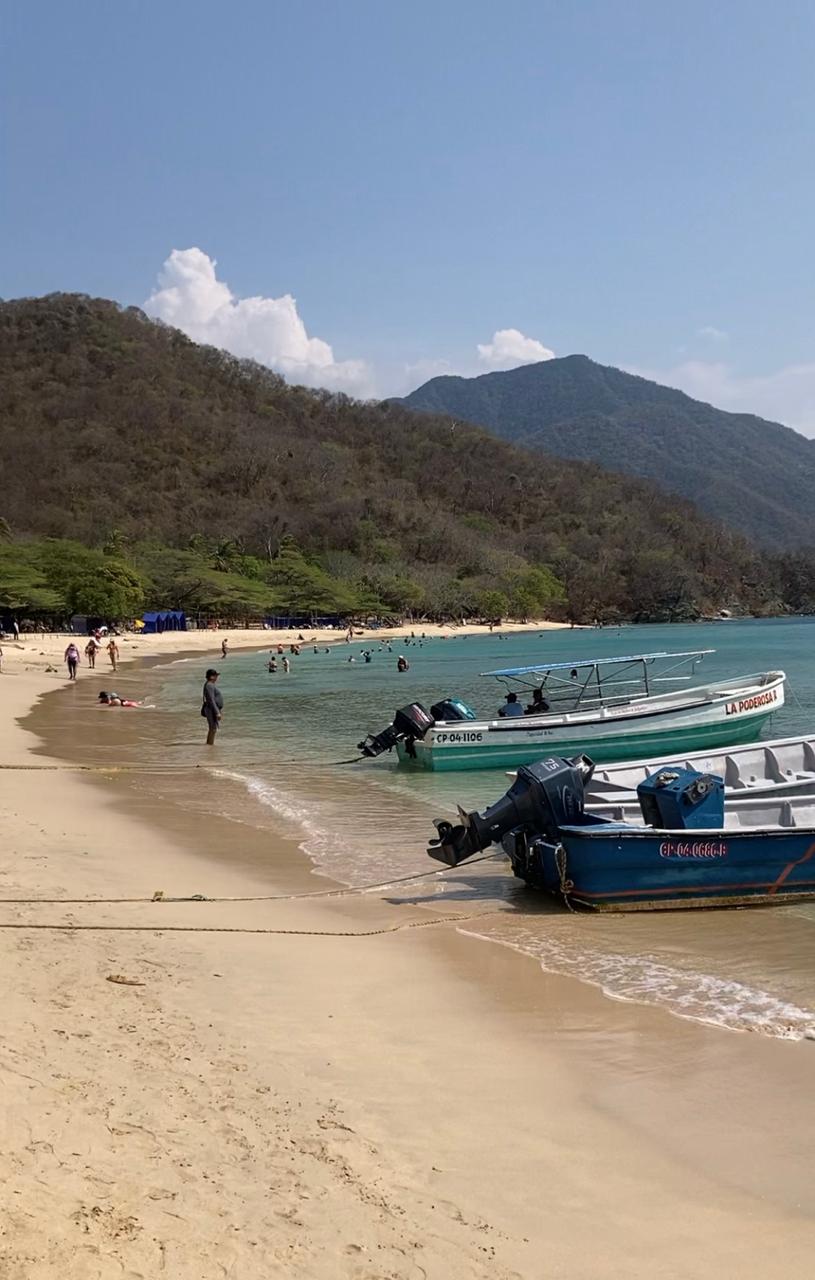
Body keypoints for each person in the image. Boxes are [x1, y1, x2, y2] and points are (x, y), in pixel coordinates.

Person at [201, 668, 223, 745]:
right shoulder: (209, 685)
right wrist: (217, 712)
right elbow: (211, 699)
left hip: (211, 709)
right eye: (216, 676)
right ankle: (209, 745)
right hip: (211, 709)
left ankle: (209, 745)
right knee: (213, 728)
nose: (217, 677)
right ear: (211, 677)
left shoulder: (210, 685)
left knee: (213, 728)